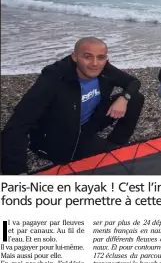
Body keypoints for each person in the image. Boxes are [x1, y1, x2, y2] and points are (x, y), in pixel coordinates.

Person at [1, 37, 144, 174]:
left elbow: (133, 82)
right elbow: (17, 125)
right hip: (60, 137)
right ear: (74, 57)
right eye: (87, 56)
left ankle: (116, 142)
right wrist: (17, 172)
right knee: (116, 162)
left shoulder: (104, 68)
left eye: (100, 57)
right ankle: (109, 149)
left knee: (135, 98)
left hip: (89, 124)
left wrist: (124, 98)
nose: (95, 63)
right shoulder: (54, 79)